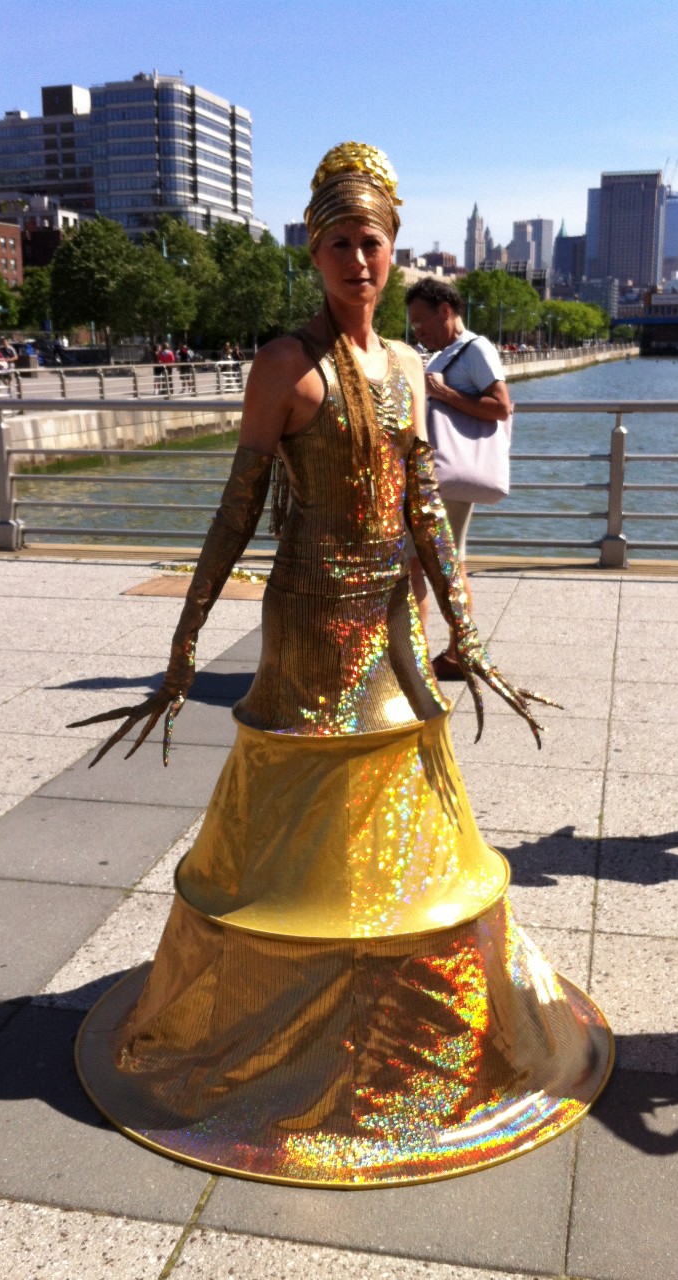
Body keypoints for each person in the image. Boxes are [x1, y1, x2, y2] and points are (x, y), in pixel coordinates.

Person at [70, 142, 611, 1188]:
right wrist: (182, 648)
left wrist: (471, 637)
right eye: (339, 244)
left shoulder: (411, 367)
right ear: (314, 254)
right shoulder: (287, 364)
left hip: (393, 618)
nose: (359, 260)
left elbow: (425, 519)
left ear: (394, 251)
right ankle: (286, 1024)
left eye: (373, 243)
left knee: (413, 798)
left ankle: (396, 1020)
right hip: (310, 620)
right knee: (306, 809)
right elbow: (234, 511)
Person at [404, 278, 511, 680]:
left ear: (445, 311)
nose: (417, 330)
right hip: (436, 475)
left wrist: (446, 395)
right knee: (447, 564)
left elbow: (501, 407)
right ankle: (455, 653)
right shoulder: (446, 352)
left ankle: (421, 658)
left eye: (421, 321)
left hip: (445, 475)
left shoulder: (476, 348)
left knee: (418, 564)